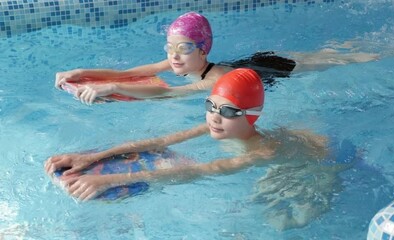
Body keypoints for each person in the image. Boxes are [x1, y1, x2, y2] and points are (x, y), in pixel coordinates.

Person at [46, 68, 354, 230]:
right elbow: (159, 142)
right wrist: (93, 158)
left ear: (251, 116)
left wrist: (111, 179)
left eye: (229, 112)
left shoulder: (263, 152)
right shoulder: (217, 124)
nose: (215, 119)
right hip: (302, 145)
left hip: (316, 165)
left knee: (279, 223)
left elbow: (203, 170)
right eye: (211, 106)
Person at [55, 12, 380, 105]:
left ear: (203, 50)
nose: (173, 56)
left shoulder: (211, 79)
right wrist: (83, 72)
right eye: (169, 48)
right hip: (251, 61)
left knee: (343, 59)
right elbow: (133, 72)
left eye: (182, 48)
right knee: (336, 51)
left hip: (272, 70)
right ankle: (349, 44)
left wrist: (109, 86)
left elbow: (168, 93)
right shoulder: (182, 62)